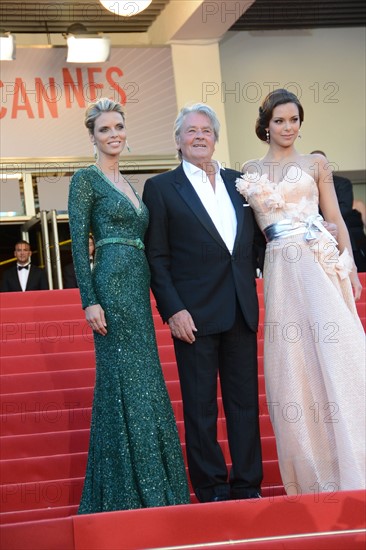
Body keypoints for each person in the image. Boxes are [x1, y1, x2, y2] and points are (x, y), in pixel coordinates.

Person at [237, 89, 365, 495]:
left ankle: (354, 457)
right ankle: (314, 471)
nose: (288, 127)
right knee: (293, 366)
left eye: (294, 120)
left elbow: (335, 218)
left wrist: (351, 267)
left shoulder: (316, 164)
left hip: (317, 265)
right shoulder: (249, 170)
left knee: (336, 353)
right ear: (266, 125)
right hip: (278, 269)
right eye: (279, 120)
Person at [67, 97, 189, 514]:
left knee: (146, 380)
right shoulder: (85, 180)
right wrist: (90, 300)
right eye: (104, 129)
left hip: (138, 288)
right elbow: (79, 248)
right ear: (93, 137)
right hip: (111, 285)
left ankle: (157, 486)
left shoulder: (129, 184)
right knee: (121, 381)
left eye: (118, 127)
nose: (113, 134)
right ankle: (123, 492)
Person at [143, 103, 263, 503]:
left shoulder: (240, 182)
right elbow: (157, 257)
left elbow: (261, 241)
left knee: (245, 405)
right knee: (200, 408)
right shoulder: (161, 188)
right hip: (192, 316)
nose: (199, 136)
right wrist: (173, 309)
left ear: (215, 138)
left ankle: (247, 486)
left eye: (206, 130)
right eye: (190, 131)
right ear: (178, 140)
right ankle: (211, 488)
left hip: (240, 310)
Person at [310, 150, 354, 219]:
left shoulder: (342, 183)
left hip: (336, 224)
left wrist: (324, 221)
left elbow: (345, 209)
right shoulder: (306, 184)